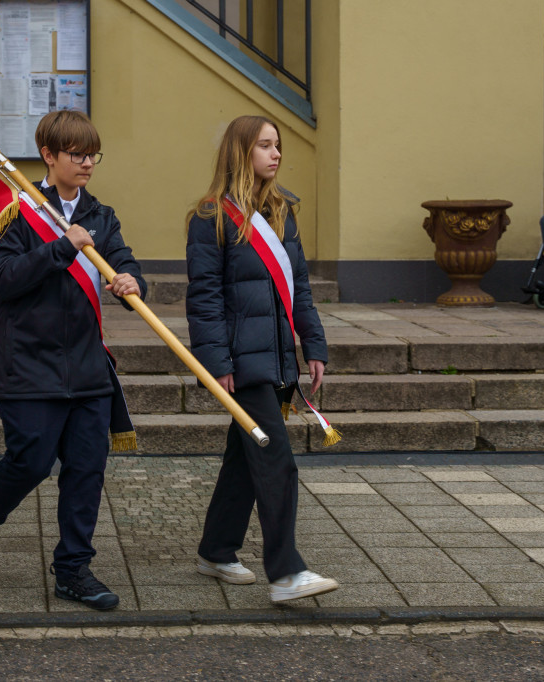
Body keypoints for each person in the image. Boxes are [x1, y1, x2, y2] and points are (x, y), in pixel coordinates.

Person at [0, 110, 146, 610]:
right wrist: (62, 247)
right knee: (30, 463)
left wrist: (129, 282)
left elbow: (122, 258)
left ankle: (73, 570)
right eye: (76, 155)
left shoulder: (100, 214)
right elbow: (7, 278)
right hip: (29, 366)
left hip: (88, 367)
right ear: (49, 156)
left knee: (86, 469)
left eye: (92, 154)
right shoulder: (14, 211)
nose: (86, 164)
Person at [185, 114, 338, 603]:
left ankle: (216, 549)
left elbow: (301, 290)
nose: (275, 154)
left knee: (243, 459)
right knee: (274, 459)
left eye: (278, 146)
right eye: (265, 146)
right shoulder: (210, 218)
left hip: (275, 359)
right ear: (240, 152)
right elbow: (203, 298)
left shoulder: (281, 212)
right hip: (240, 363)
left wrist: (313, 346)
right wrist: (216, 362)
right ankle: (287, 572)